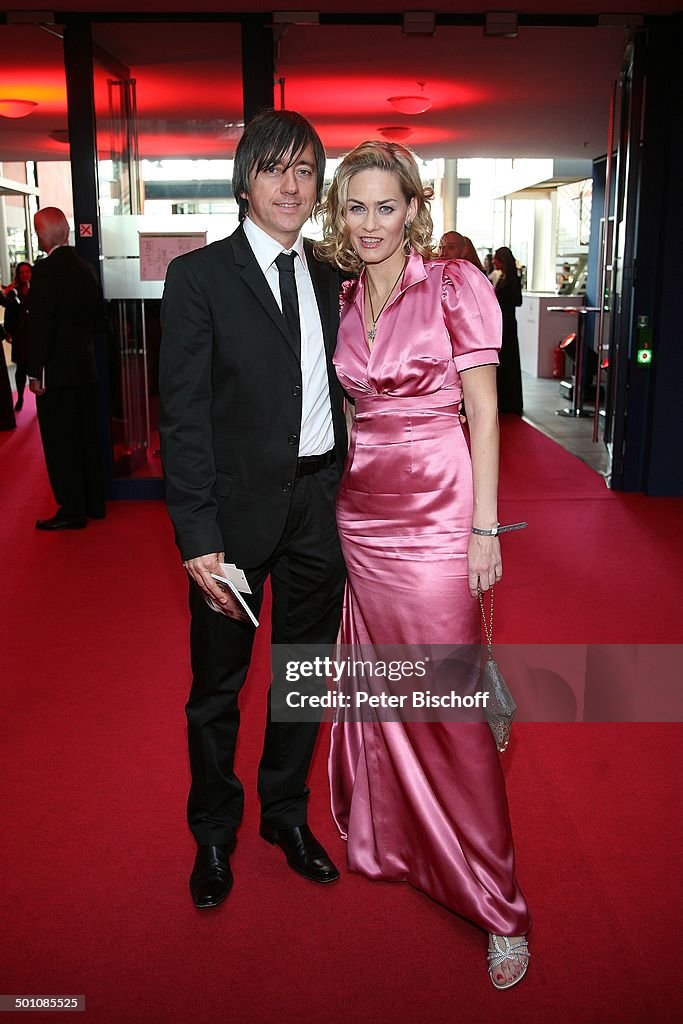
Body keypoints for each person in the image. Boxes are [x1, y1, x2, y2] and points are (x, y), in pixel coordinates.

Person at [317, 141, 530, 989]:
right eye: (356, 208)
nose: (371, 223)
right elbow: (346, 408)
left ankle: (499, 903)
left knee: (443, 706)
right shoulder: (339, 293)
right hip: (362, 515)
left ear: (413, 208)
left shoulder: (454, 285)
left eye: (386, 206)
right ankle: (402, 835)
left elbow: (483, 410)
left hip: (440, 509)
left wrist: (485, 528)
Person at [159, 109, 347, 910]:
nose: (291, 184)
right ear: (245, 182)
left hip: (316, 505)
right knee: (217, 687)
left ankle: (284, 814)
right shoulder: (200, 277)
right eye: (275, 168)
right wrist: (196, 534)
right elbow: (185, 415)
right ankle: (212, 833)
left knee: (303, 676)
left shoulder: (332, 276)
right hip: (232, 518)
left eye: (305, 170)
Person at [27, 208, 106, 529]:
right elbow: (99, 321)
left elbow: (40, 325)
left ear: (44, 235)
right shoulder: (86, 268)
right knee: (87, 437)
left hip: (56, 373)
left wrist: (35, 371)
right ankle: (93, 504)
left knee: (62, 443)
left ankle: (72, 510)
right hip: (84, 368)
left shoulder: (45, 271)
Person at [492, 246, 524, 416]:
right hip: (504, 324)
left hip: (508, 325)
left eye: (496, 258)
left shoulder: (511, 278)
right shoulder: (503, 276)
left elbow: (517, 301)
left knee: (508, 361)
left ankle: (510, 402)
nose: (493, 262)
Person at [2, 261, 32, 411]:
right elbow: (8, 309)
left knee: (36, 368)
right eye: (21, 272)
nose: (25, 275)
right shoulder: (14, 292)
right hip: (20, 335)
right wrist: (8, 331)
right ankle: (20, 396)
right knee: (21, 369)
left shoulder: (37, 289)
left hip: (34, 335)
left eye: (27, 272)